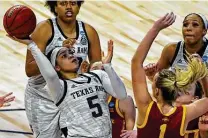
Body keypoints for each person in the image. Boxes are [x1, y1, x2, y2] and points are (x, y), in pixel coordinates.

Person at [9, 1, 102, 137]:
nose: (69, 7)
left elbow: (98, 72)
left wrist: (91, 70)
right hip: (43, 99)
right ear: (55, 7)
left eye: (73, 3)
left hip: (72, 96)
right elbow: (30, 69)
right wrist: (56, 54)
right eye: (63, 3)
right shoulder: (44, 29)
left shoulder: (89, 32)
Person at [12, 37, 127, 137]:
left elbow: (122, 94)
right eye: (64, 56)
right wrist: (32, 45)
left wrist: (108, 66)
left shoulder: (98, 75)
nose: (70, 56)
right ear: (56, 67)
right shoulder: (60, 88)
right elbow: (51, 76)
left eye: (71, 53)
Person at [131, 12, 208, 138]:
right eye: (186, 24)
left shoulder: (146, 109)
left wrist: (155, 28)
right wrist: (202, 73)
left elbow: (136, 62)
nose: (189, 28)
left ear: (156, 92)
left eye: (195, 25)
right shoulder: (184, 114)